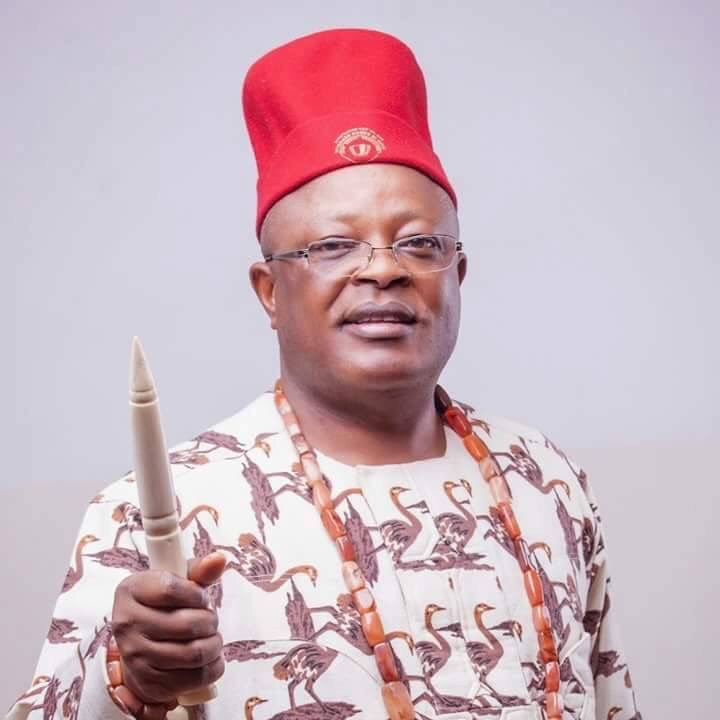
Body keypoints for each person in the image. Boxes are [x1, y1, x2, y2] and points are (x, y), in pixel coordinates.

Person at [7, 28, 642, 720]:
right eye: (335, 246)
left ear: (457, 274)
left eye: (420, 242)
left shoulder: (545, 478)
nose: (383, 268)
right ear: (269, 292)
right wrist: (129, 685)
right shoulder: (159, 508)